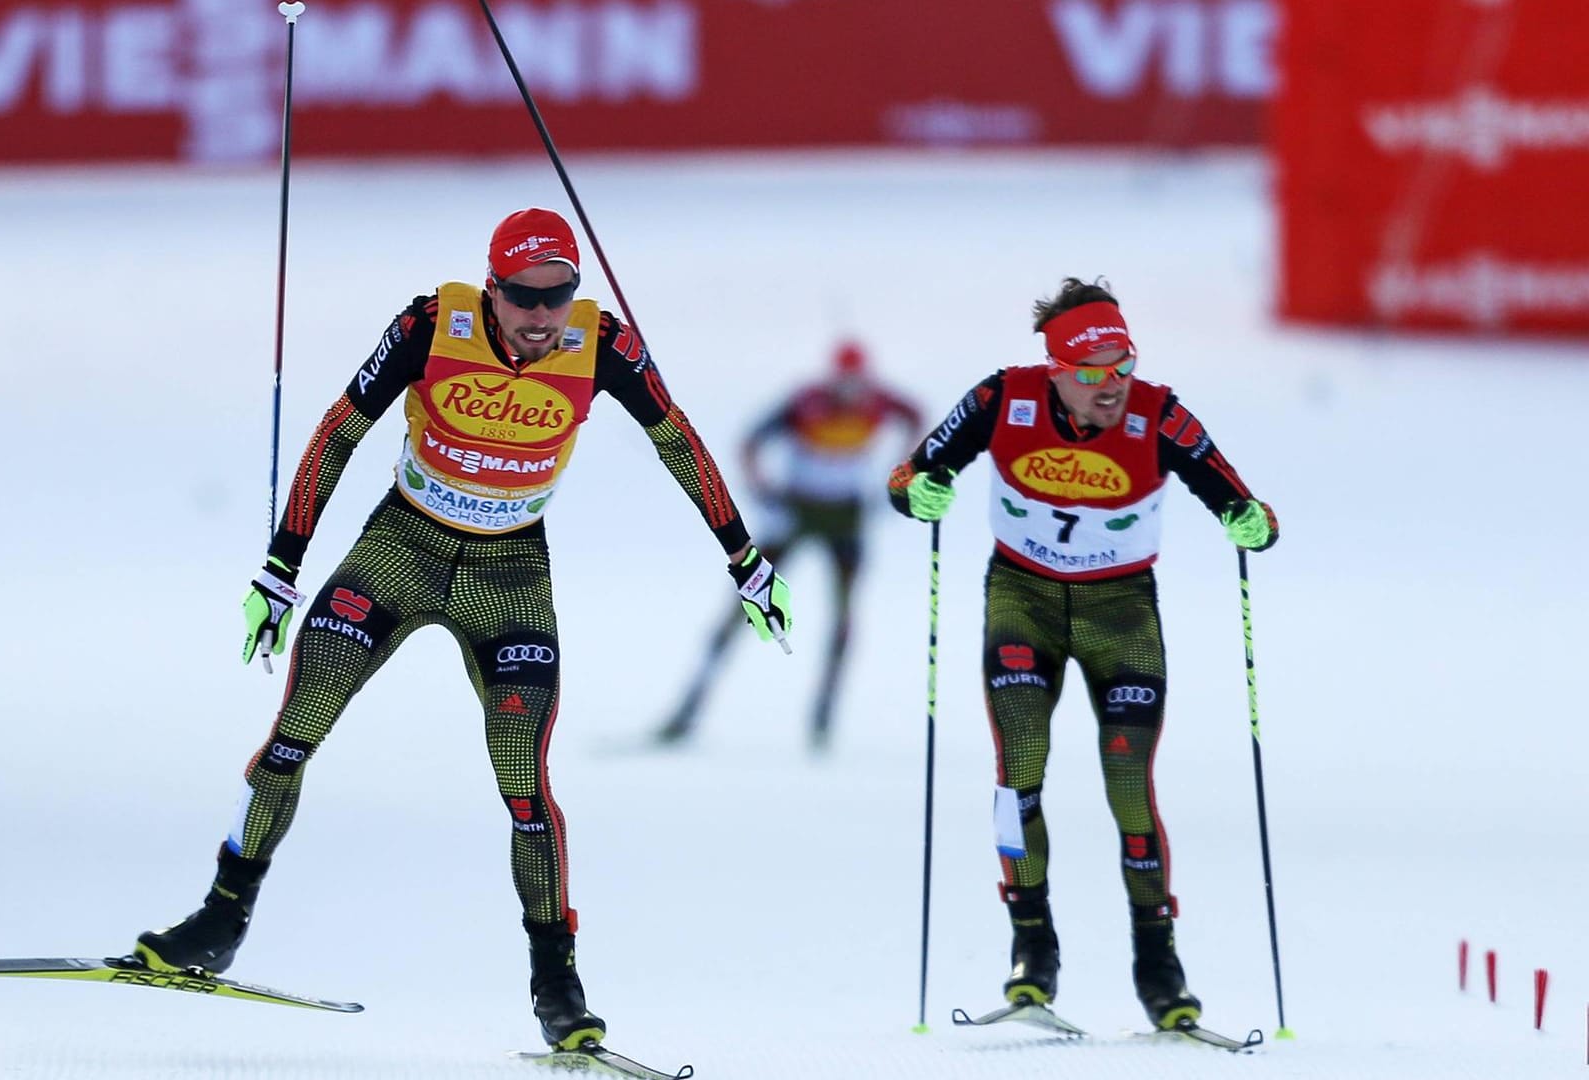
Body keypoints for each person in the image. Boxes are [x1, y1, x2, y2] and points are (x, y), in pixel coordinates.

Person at [132, 208, 794, 1052]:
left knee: (525, 787)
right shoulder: (429, 325)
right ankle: (219, 920)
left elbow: (680, 442)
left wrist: (744, 557)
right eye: (525, 297)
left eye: (560, 295)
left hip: (510, 574)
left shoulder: (604, 346)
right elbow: (338, 432)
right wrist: (282, 564)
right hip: (400, 548)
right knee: (294, 737)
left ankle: (557, 983)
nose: (543, 316)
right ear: (492, 289)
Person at [886, 277, 1277, 1031]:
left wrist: (1251, 520)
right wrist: (917, 494)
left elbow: (1236, 496)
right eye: (1095, 375)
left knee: (1130, 783)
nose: (1114, 389)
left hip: (1120, 611)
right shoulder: (1005, 399)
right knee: (1020, 770)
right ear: (1059, 368)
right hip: (1022, 599)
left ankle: (1158, 963)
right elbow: (910, 474)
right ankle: (1033, 947)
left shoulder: (1160, 413)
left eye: (1123, 370)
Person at [653, 341, 921, 750]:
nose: (850, 390)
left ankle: (823, 722)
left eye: (857, 380)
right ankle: (688, 709)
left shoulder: (880, 402)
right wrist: (761, 489)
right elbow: (750, 441)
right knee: (747, 599)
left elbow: (915, 418)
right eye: (844, 379)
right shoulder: (806, 402)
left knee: (844, 616)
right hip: (795, 510)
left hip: (845, 517)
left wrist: (901, 473)